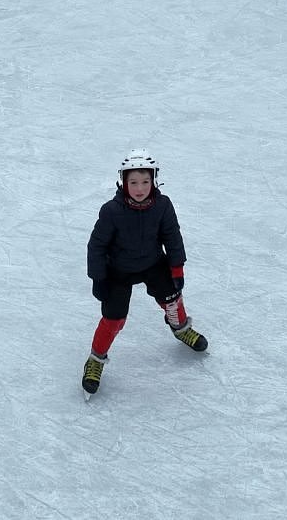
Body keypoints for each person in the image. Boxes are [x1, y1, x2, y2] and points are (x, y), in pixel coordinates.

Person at [81, 151, 207, 397]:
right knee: (114, 318)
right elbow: (96, 246)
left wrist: (176, 268)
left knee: (172, 296)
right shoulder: (111, 211)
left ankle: (180, 328)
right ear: (123, 182)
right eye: (133, 182)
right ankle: (95, 359)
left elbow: (172, 237)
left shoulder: (162, 206)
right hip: (118, 270)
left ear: (154, 181)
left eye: (145, 182)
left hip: (152, 263)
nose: (140, 188)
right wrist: (99, 277)